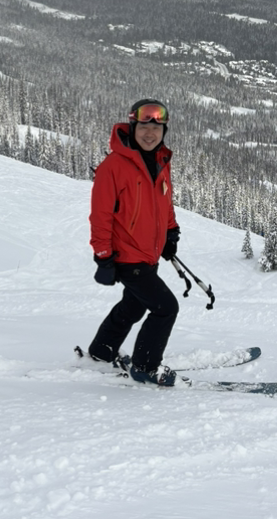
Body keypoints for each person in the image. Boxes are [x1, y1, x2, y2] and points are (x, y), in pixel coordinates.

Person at [88, 98, 181, 385]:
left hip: (148, 253)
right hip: (127, 256)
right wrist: (103, 256)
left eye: (156, 128)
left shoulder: (160, 162)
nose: (150, 134)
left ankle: (101, 350)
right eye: (143, 127)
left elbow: (164, 202)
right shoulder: (113, 166)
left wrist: (171, 232)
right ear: (132, 127)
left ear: (164, 131)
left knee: (134, 304)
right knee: (165, 308)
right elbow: (100, 215)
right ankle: (145, 366)